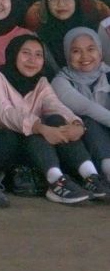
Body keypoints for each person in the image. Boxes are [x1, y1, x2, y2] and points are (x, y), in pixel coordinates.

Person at [0, 33, 104, 205]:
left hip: (30, 151)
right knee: (32, 128)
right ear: (13, 54)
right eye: (26, 53)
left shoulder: (40, 82)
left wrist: (77, 124)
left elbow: (55, 105)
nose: (32, 60)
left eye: (38, 55)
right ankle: (55, 182)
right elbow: (2, 111)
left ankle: (90, 176)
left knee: (56, 119)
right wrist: (39, 127)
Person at [52, 28, 110, 181]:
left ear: (100, 52)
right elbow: (87, 108)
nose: (85, 56)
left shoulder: (108, 74)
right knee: (89, 121)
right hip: (84, 146)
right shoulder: (61, 82)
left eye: (91, 49)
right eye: (76, 51)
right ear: (67, 55)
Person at [31, 0, 97, 71]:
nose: (61, 4)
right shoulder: (40, 37)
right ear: (46, 3)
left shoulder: (94, 31)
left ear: (76, 1)